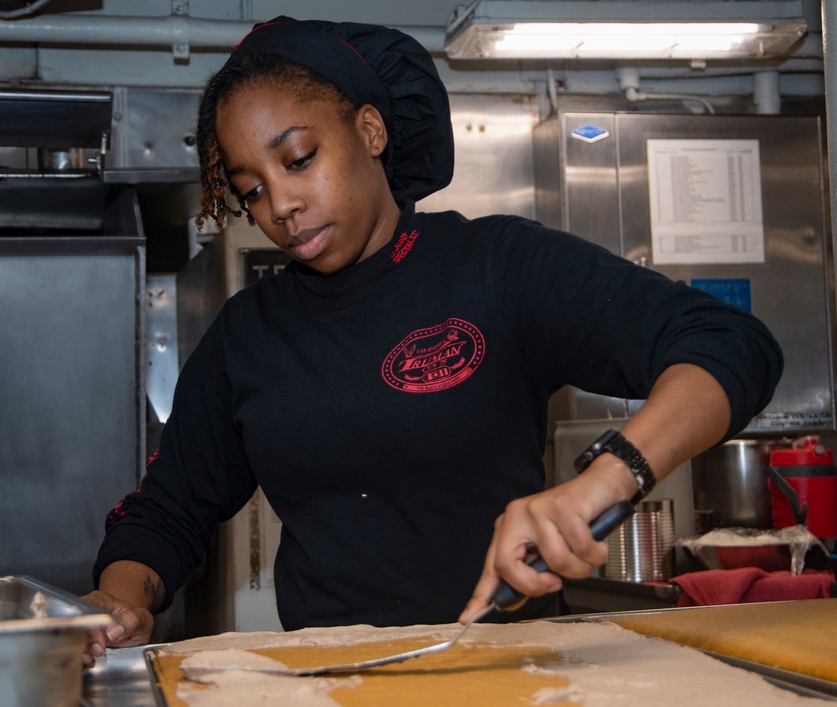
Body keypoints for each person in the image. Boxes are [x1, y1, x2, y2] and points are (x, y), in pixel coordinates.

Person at [80, 16, 782, 667]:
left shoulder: (495, 268)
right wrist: (122, 595)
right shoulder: (249, 333)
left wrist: (601, 480)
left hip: (512, 670)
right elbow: (168, 511)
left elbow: (727, 343)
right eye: (251, 189)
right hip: (336, 677)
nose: (280, 205)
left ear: (370, 130)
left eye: (298, 158)